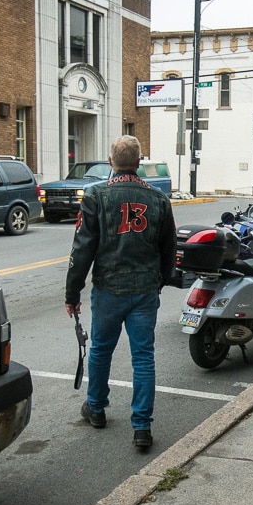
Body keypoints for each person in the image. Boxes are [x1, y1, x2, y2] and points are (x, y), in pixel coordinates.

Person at [65, 135, 177, 447]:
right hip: (144, 290)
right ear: (139, 162)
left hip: (108, 289)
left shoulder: (96, 196)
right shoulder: (157, 199)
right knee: (143, 356)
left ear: (111, 161)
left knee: (101, 349)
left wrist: (72, 293)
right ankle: (142, 427)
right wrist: (160, 280)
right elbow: (169, 248)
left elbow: (83, 249)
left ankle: (97, 408)